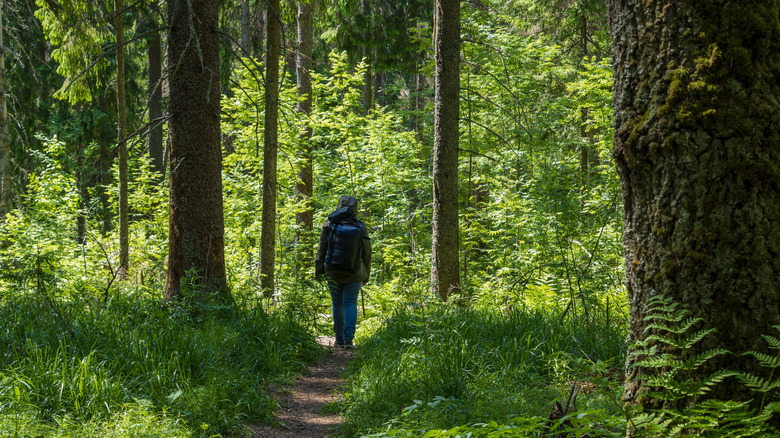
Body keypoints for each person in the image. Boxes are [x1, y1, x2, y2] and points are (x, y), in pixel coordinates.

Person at [315, 196, 371, 349]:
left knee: (337, 304)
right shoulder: (360, 226)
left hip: (332, 271)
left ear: (339, 206)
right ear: (356, 209)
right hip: (355, 271)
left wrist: (319, 271)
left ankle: (338, 340)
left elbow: (321, 249)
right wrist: (366, 274)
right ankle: (348, 340)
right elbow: (367, 252)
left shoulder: (329, 224)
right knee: (350, 303)